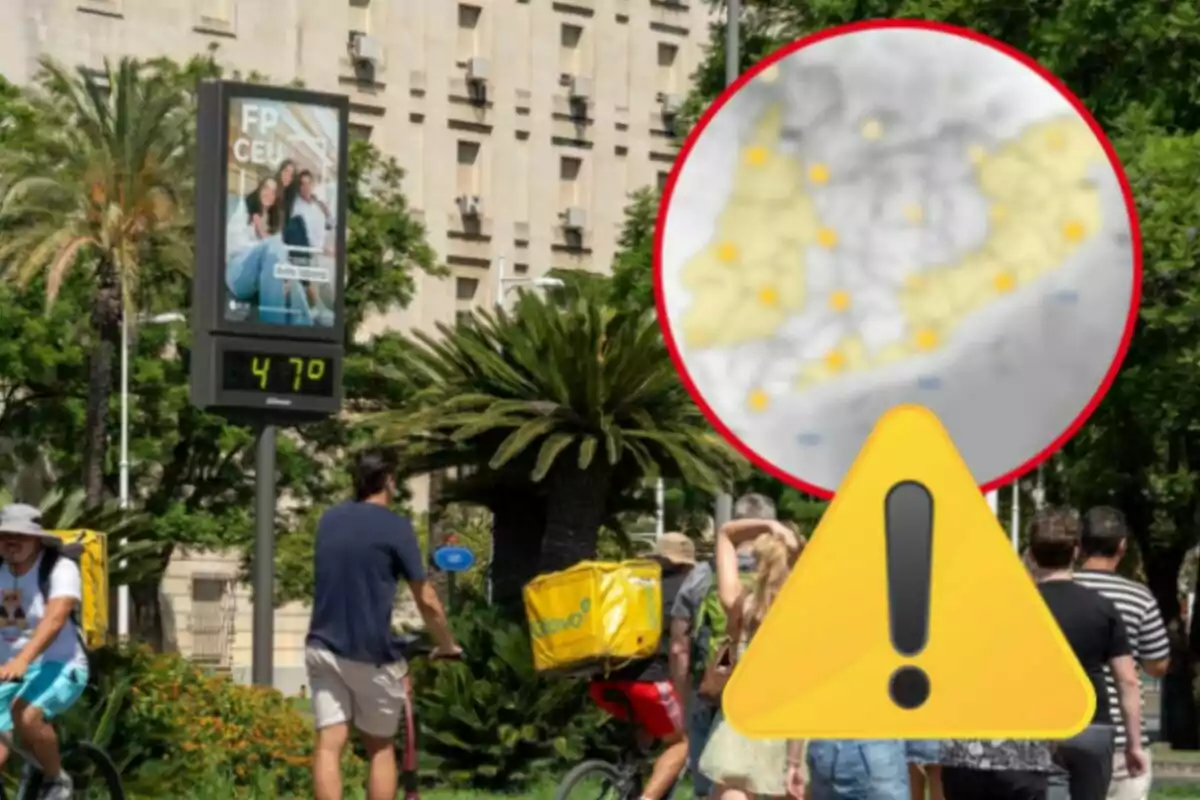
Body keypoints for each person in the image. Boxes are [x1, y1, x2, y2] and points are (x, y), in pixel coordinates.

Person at [305, 450, 462, 800]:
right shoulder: (395, 526)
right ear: (389, 480)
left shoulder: (329, 519)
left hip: (320, 646)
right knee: (379, 747)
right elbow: (427, 599)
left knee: (330, 744)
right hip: (367, 654)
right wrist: (447, 644)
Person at [669, 493, 777, 798]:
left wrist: (683, 694)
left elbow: (679, 644)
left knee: (713, 784)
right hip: (767, 694)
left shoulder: (703, 575)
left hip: (714, 684)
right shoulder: (778, 578)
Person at [697, 516, 802, 799]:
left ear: (758, 563)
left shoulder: (741, 604)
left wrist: (769, 525)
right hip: (789, 724)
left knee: (732, 790)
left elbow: (726, 535)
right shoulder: (802, 613)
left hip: (741, 722)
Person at [590, 532, 697, 800]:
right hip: (650, 682)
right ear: (686, 563)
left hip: (604, 681)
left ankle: (627, 774)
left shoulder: (634, 583)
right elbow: (682, 645)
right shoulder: (688, 587)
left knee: (650, 722)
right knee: (682, 742)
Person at [1074, 507, 1169, 800]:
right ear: (1122, 546)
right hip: (1122, 735)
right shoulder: (1139, 597)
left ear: (1079, 544)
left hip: (1068, 728)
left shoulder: (1059, 591)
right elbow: (1157, 665)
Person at [0, 505, 88, 800]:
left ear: (37, 540)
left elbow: (55, 617)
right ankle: (30, 769)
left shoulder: (59, 568)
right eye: (4, 536)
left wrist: (24, 659)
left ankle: (56, 779)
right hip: (7, 670)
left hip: (60, 664)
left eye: (20, 537)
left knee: (26, 714)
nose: (11, 543)